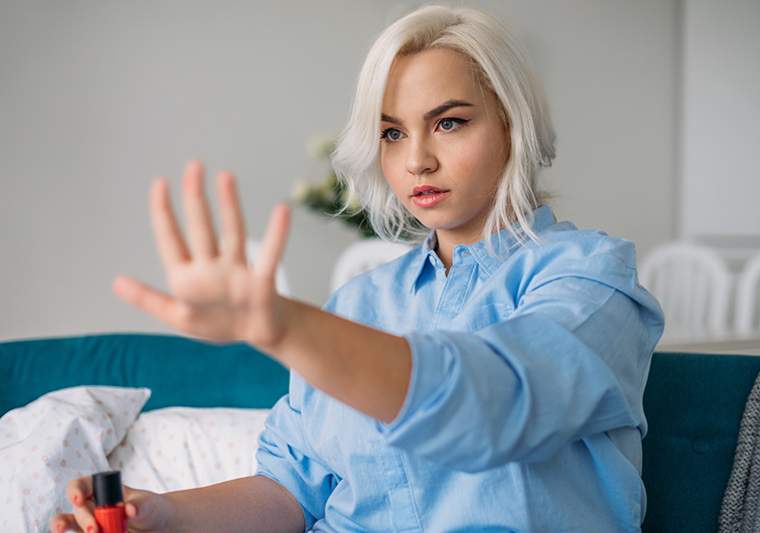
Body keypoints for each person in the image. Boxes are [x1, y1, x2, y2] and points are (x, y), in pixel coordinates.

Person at [51, 4, 664, 532]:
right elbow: (290, 490)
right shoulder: (360, 303)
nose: (417, 159)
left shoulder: (592, 278)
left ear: (512, 124)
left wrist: (284, 326)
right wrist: (165, 516)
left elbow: (493, 408)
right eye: (392, 133)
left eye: (449, 123)